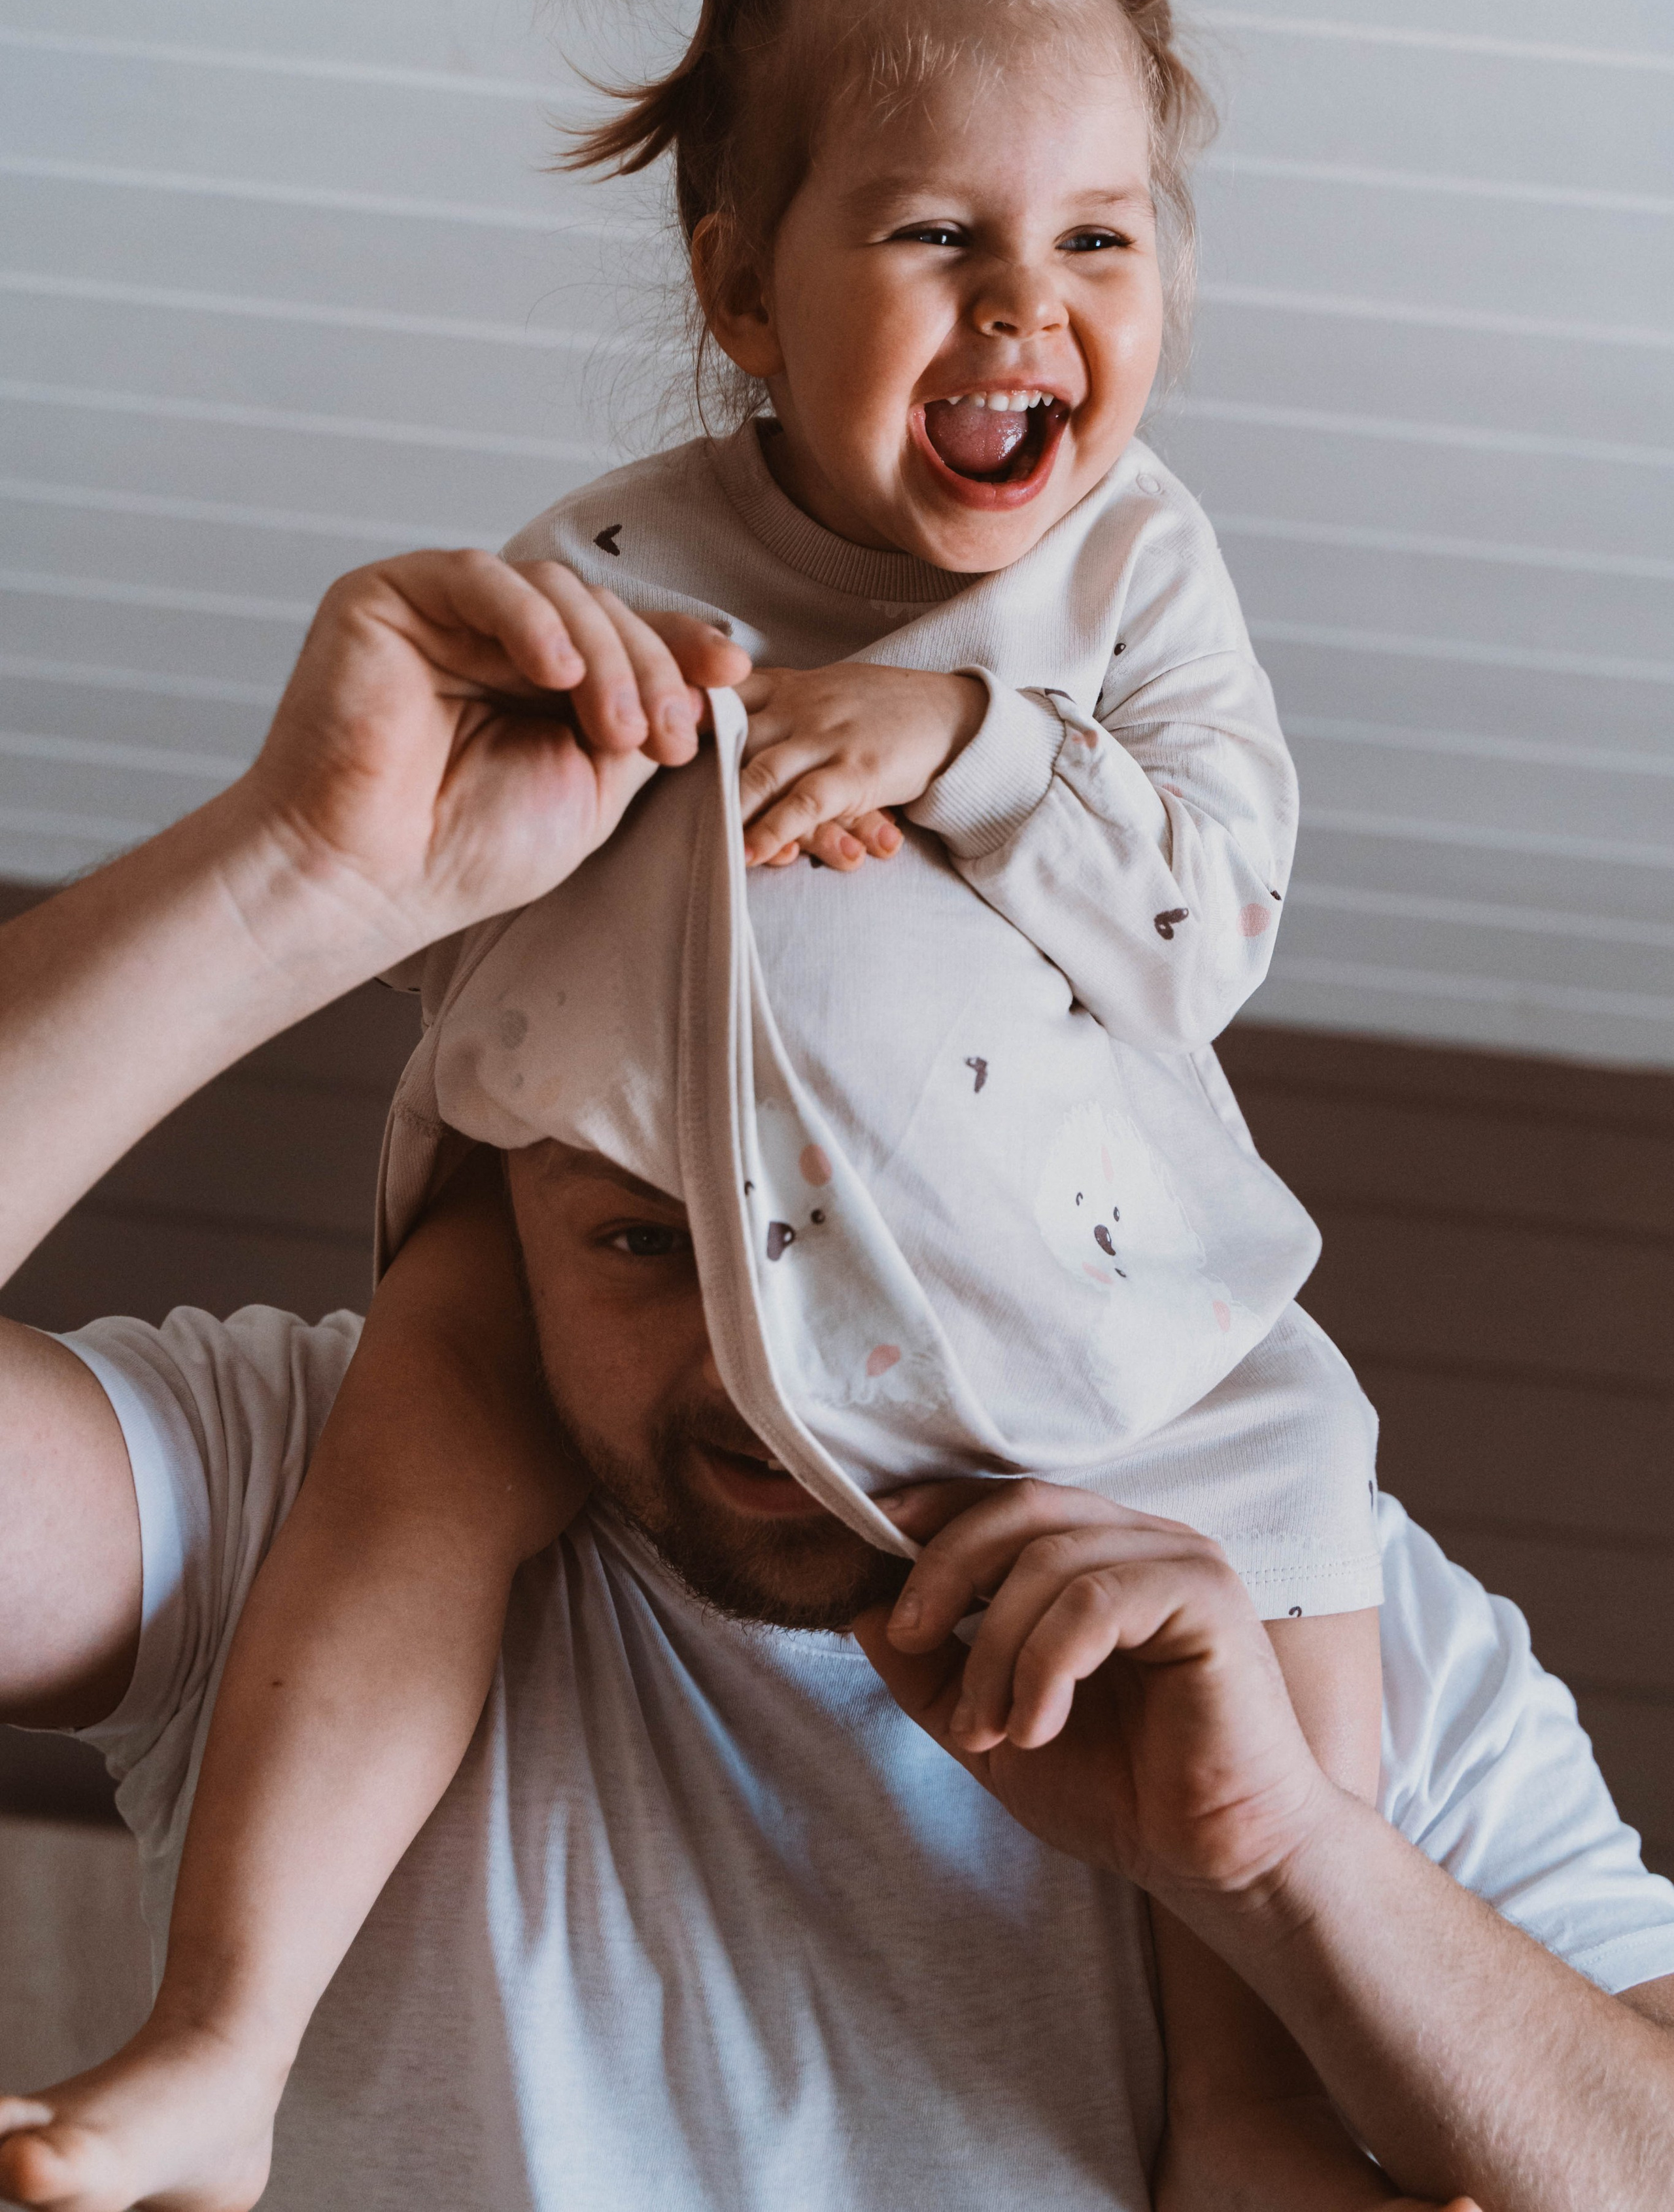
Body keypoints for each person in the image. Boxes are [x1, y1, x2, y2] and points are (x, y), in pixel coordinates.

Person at [1, 556, 1674, 2212]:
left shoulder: (1338, 1639)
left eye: (886, 1242)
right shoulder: (294, 1499)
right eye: (641, 1249)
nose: (763, 1364)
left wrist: (1288, 1860)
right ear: (495, 1220)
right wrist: (291, 877)